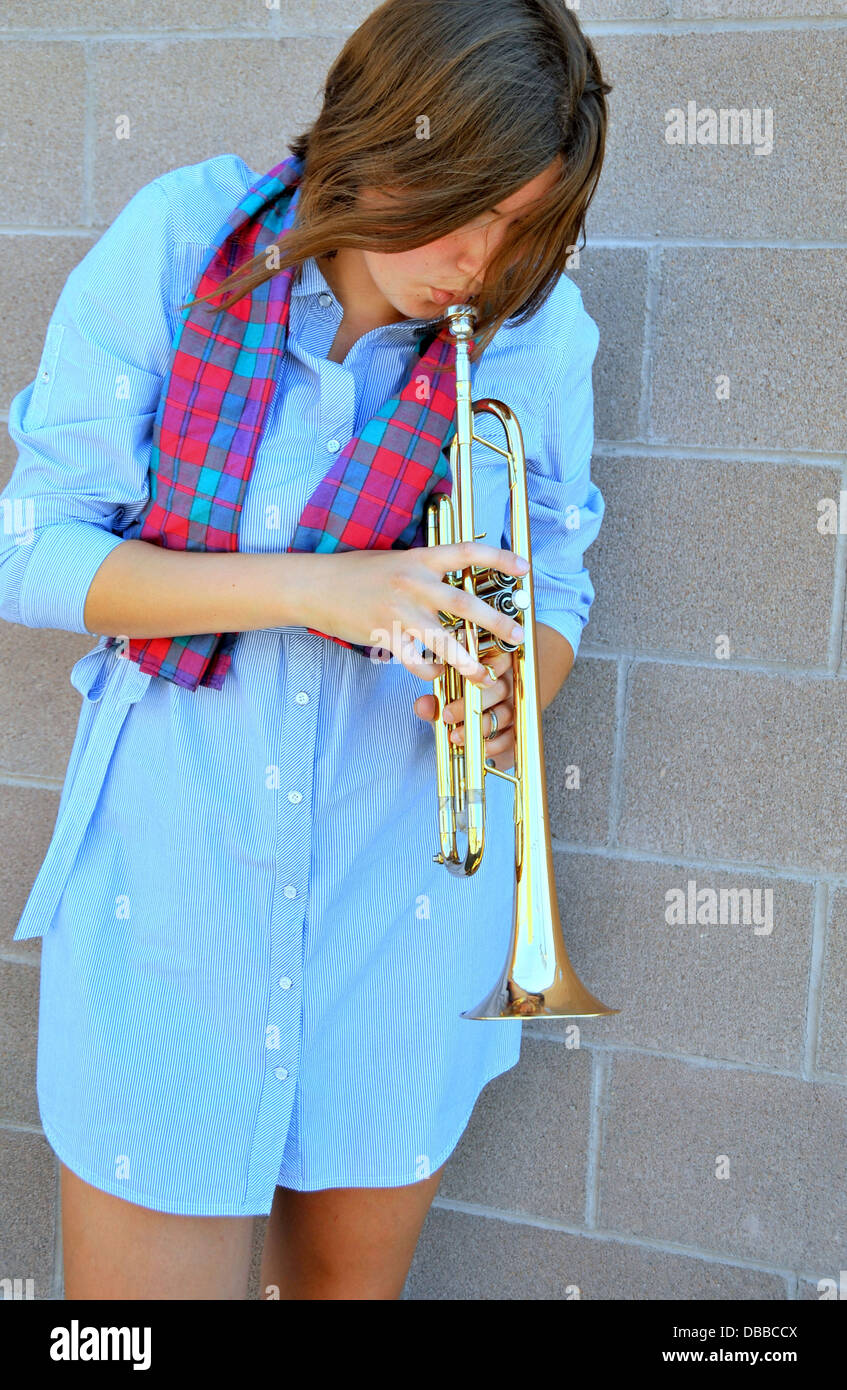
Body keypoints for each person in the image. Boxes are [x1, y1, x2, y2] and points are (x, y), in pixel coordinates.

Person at [0, 0, 611, 1299]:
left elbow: (556, 570)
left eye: (519, 228)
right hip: (175, 908)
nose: (474, 262)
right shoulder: (181, 245)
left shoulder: (533, 328)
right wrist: (318, 590)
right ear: (377, 130)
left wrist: (519, 688)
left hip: (405, 919)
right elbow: (36, 550)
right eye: (462, 203)